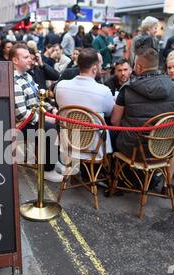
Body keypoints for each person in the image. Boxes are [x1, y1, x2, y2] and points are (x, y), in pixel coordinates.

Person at [111, 48, 174, 195]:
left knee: (111, 135)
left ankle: (122, 181)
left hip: (133, 149)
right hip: (164, 149)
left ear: (138, 67)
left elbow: (115, 121)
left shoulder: (127, 89)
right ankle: (167, 186)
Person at [10, 43, 62, 182]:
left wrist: (52, 110)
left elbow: (38, 100)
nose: (30, 59)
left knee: (59, 122)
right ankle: (47, 170)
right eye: (26, 57)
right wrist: (44, 118)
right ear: (15, 60)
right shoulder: (14, 81)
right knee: (49, 129)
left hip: (32, 119)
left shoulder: (26, 76)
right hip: (19, 125)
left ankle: (52, 160)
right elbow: (21, 114)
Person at [55, 48, 114, 163]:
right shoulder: (103, 91)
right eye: (100, 64)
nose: (101, 67)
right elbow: (110, 114)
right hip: (93, 149)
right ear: (95, 68)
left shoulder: (61, 86)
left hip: (68, 144)